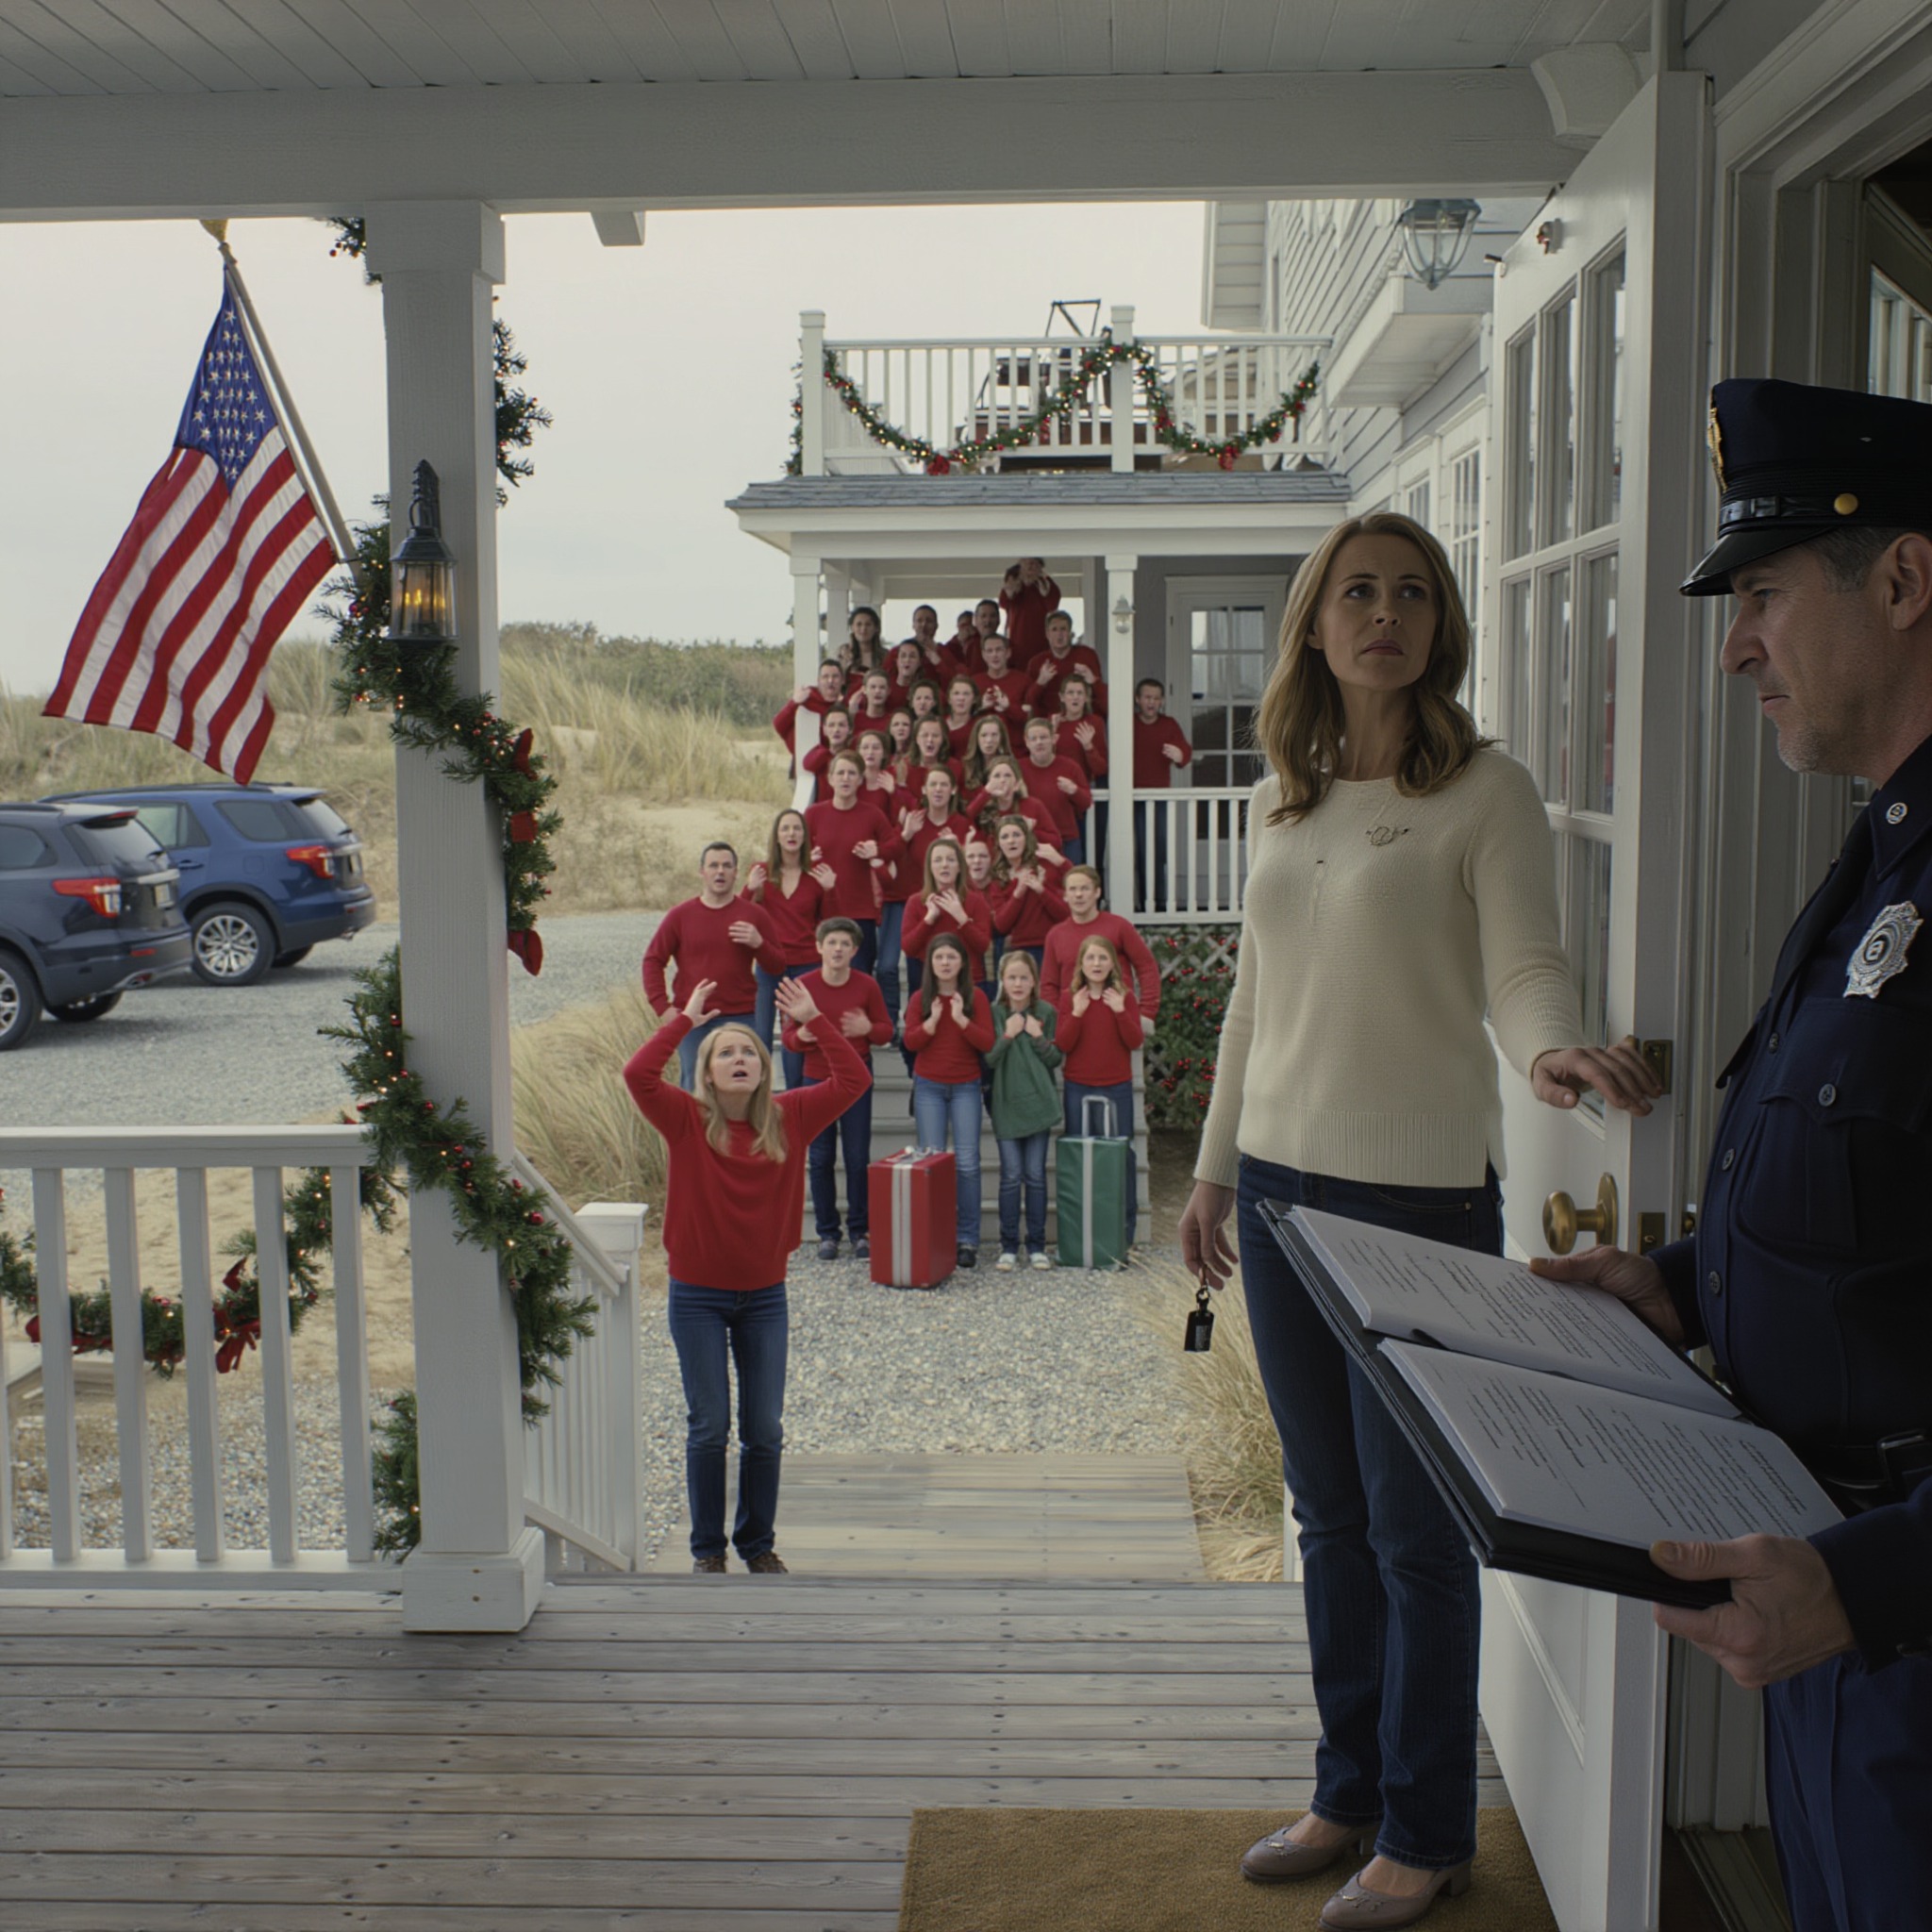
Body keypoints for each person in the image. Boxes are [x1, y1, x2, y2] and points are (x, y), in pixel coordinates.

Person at [1175, 511, 1657, 1926]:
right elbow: (1256, 1007)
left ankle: (1430, 1826)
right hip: (1273, 1193)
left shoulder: (1487, 793)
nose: (1383, 612)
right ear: (1318, 625)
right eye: (1357, 593)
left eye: (1410, 593)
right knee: (1326, 1515)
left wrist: (1555, 1054)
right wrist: (1212, 1173)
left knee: (1414, 1528)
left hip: (1420, 1204)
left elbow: (1527, 972)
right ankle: (1349, 1792)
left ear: (1439, 626)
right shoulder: (1288, 796)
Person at [1531, 379, 1932, 1932]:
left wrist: (1872, 1585)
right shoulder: (1880, 850)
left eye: (1760, 592)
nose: (1731, 642)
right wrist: (1678, 1285)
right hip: (1827, 1600)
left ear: (1900, 581)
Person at [624, 973, 868, 1574]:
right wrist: (685, 1018)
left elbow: (855, 1079)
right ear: (707, 1072)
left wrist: (814, 1019)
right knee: (709, 1426)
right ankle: (708, 1551)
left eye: (749, 1052)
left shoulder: (793, 1115)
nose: (739, 1058)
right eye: (725, 1052)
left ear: (764, 1068)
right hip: (697, 1297)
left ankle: (757, 1544)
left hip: (764, 1297)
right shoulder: (684, 1119)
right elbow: (637, 1075)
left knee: (764, 1427)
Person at [782, 917, 891, 1263]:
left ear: (855, 950)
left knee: (858, 1157)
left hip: (856, 1080)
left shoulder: (866, 986)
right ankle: (828, 1233)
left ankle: (861, 1231)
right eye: (832, 943)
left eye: (845, 944)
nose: (838, 949)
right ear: (819, 947)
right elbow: (787, 1039)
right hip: (816, 1080)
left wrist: (868, 1027)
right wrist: (799, 1038)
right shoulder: (802, 986)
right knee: (820, 1157)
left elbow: (887, 1031)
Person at [641, 842, 774, 1089]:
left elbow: (777, 966)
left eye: (727, 866)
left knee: (746, 1089)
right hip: (694, 1019)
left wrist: (759, 943)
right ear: (702, 871)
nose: (720, 871)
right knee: (696, 1088)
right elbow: (653, 960)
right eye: (714, 865)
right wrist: (664, 1008)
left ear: (736, 873)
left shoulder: (754, 915)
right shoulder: (680, 916)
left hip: (742, 1017)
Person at [902, 931, 995, 1270]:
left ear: (962, 963)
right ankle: (936, 1235)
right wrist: (932, 1023)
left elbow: (987, 1042)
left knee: (968, 1162)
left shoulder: (977, 998)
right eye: (939, 957)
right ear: (930, 963)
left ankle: (967, 1238)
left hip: (966, 1087)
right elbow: (911, 1042)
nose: (945, 963)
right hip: (929, 1088)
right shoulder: (918, 999)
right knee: (933, 1163)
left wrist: (960, 1020)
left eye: (951, 957)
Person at [1055, 934, 1143, 1248]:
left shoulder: (1124, 996)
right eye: (1090, 958)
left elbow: (1135, 1041)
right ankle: (1082, 1232)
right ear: (1081, 963)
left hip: (1116, 1087)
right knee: (1082, 1157)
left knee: (1122, 1157)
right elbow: (1063, 1043)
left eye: (1103, 958)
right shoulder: (1070, 998)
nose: (1096, 964)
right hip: (1078, 1087)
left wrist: (1120, 1010)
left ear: (1113, 964)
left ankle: (1123, 1233)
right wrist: (1077, 1013)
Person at [986, 948, 1061, 1273]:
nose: (1018, 984)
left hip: (1038, 1105)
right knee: (1011, 1176)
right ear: (1002, 981)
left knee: (1035, 1175)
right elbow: (988, 1059)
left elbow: (1055, 1059)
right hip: (1005, 1104)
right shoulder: (993, 1013)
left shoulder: (1045, 1011)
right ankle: (1008, 1246)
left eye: (1024, 978)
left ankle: (1036, 1246)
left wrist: (1037, 1036)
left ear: (1034, 981)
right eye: (1011, 977)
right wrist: (1008, 1035)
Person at [745, 808, 829, 1086]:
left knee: (796, 1039)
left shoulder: (815, 877)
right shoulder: (761, 873)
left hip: (806, 966)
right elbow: (740, 915)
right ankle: (756, 1104)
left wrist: (831, 890)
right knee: (761, 1037)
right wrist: (748, 890)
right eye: (785, 829)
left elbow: (831, 925)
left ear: (805, 836)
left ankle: (795, 1100)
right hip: (770, 966)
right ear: (777, 836)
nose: (791, 834)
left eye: (797, 828)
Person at [804, 750, 902, 978]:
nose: (845, 778)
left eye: (851, 774)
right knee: (822, 979)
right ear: (830, 778)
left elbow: (896, 847)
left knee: (859, 978)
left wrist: (877, 850)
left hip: (861, 912)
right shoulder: (814, 814)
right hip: (822, 909)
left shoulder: (872, 815)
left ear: (860, 780)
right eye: (840, 773)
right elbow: (794, 854)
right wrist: (807, 859)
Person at [1041, 865, 1159, 1037]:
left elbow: (1146, 966)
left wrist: (1147, 1012)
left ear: (1097, 892)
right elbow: (1049, 985)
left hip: (1118, 1021)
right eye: (1072, 889)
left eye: (1085, 888)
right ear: (1065, 896)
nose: (1079, 894)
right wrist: (1056, 1019)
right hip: (1075, 1023)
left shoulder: (1119, 927)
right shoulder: (1055, 935)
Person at [1132, 677, 1192, 913]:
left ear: (1162, 701)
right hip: (1128, 796)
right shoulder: (1129, 723)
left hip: (1156, 798)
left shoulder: (1168, 724)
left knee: (1155, 850)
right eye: (1147, 697)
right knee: (1132, 851)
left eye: (1156, 698)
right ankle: (1137, 902)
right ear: (1138, 699)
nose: (1151, 702)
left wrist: (1180, 755)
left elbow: (1185, 753)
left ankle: (1155, 904)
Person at [988, 814, 1068, 967]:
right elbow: (1001, 925)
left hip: (1052, 946)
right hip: (1018, 952)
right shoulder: (999, 879)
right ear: (999, 844)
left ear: (1026, 838)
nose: (1011, 841)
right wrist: (1019, 892)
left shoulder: (1044, 866)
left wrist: (1041, 890)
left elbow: (1065, 913)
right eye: (1005, 837)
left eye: (1016, 835)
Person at [1020, 712, 1092, 864]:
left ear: (1054, 739)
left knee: (1070, 884)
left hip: (1067, 840)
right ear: (1027, 742)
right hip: (1030, 840)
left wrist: (1074, 790)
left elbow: (1086, 802)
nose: (1039, 742)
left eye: (1044, 737)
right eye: (1034, 739)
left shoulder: (1070, 767)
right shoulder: (1018, 769)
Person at [1028, 609, 1107, 719]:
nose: (1059, 634)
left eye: (1063, 629)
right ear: (1047, 634)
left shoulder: (1087, 655)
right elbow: (1028, 702)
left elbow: (1104, 700)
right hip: (1050, 724)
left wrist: (1093, 680)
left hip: (1083, 721)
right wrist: (1040, 682)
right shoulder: (1037, 662)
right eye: (1054, 629)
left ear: (1070, 633)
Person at [773, 658, 848, 755]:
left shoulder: (847, 706)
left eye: (835, 676)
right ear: (818, 681)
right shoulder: (806, 700)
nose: (830, 681)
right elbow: (779, 725)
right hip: (803, 762)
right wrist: (794, 703)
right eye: (825, 677)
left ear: (843, 680)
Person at [999, 557, 1061, 668]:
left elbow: (1053, 606)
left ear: (1040, 567)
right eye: (1026, 563)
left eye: (1033, 563)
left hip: (1041, 646)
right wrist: (1009, 591)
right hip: (1016, 646)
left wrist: (1045, 593)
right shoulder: (1014, 582)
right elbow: (1003, 603)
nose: (1030, 567)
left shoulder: (1046, 584)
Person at [973, 632, 1033, 724]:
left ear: (1008, 653)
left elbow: (1031, 718)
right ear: (983, 655)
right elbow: (965, 719)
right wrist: (981, 708)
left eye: (999, 650)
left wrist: (1008, 708)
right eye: (989, 651)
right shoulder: (974, 682)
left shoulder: (1023, 680)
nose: (994, 655)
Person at [799, 705, 853, 804]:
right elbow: (808, 765)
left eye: (841, 725)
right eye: (831, 725)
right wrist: (829, 752)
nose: (836, 730)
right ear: (824, 730)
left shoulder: (854, 757)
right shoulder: (821, 753)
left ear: (849, 730)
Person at [961, 713, 1016, 798]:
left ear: (1001, 738)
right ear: (976, 738)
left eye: (994, 735)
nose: (989, 740)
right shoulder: (965, 767)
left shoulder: (1011, 766)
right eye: (984, 735)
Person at [840, 605, 887, 681]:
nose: (863, 629)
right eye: (859, 624)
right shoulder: (844, 654)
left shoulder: (886, 656)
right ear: (852, 628)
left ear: (876, 628)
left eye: (868, 624)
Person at [942, 674, 981, 756]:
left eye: (966, 694)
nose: (961, 698)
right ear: (949, 699)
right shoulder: (938, 723)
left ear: (974, 699)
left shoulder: (978, 727)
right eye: (956, 693)